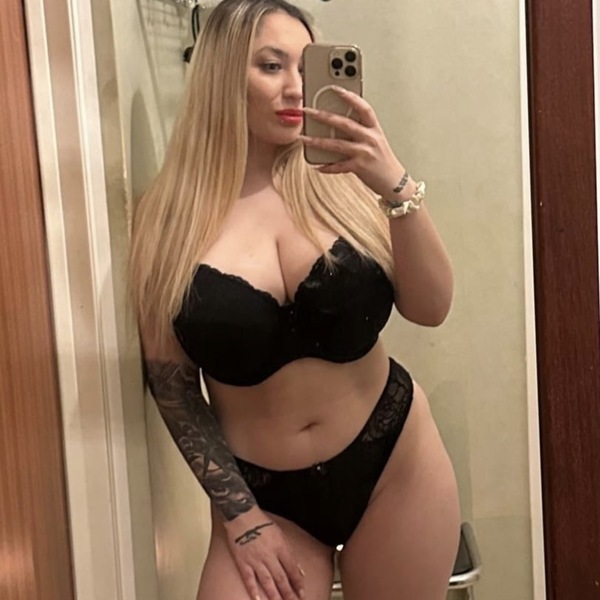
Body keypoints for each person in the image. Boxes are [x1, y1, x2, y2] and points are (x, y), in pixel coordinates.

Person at [129, 0, 460, 598]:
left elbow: (432, 307)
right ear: (223, 76)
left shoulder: (346, 181)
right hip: (263, 497)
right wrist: (241, 518)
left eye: (305, 67)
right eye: (271, 65)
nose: (295, 87)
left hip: (394, 465)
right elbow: (173, 387)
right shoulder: (168, 219)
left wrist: (395, 185)